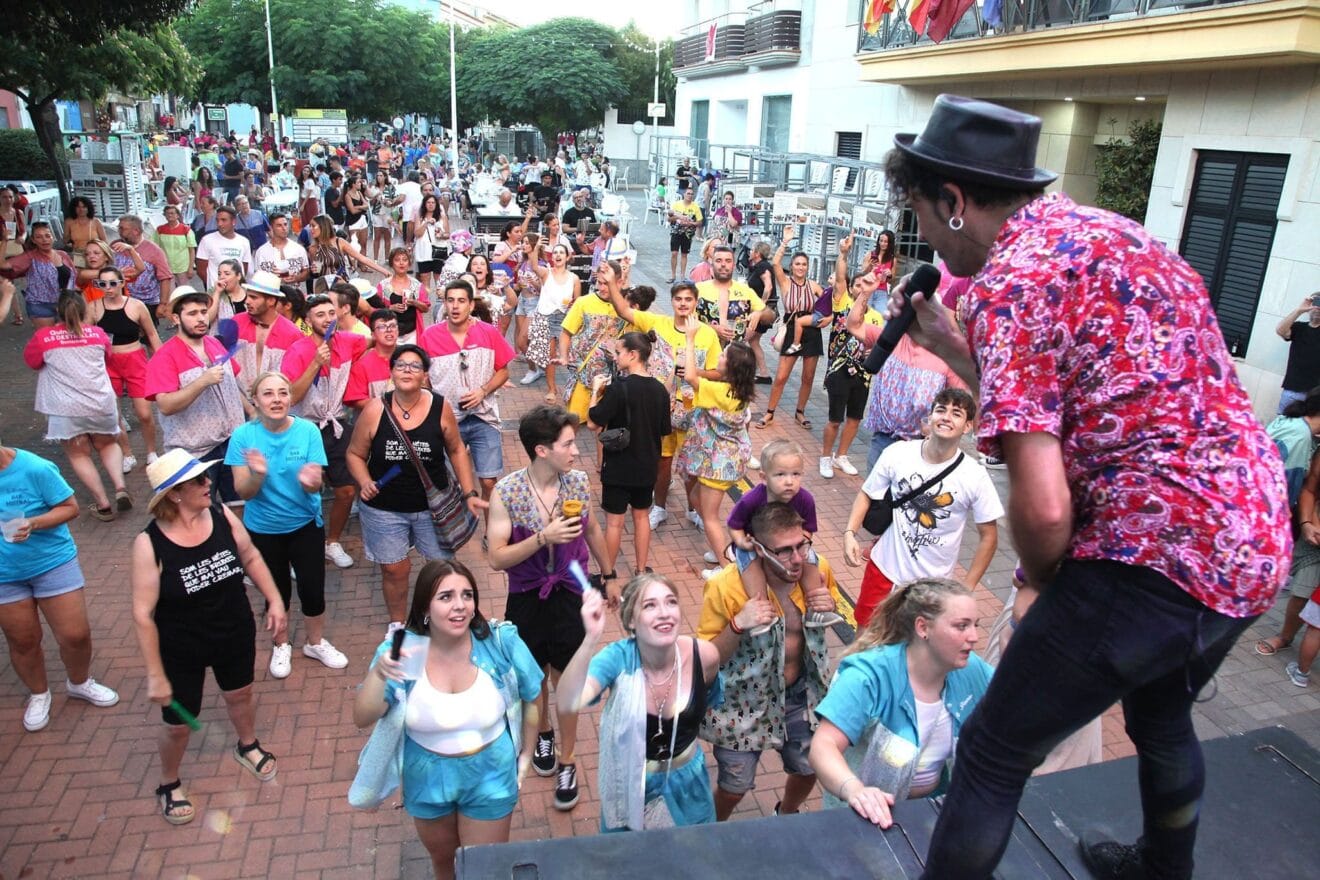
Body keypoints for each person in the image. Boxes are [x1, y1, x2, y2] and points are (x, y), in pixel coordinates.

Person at [878, 94, 1290, 880]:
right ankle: (1163, 868)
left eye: (922, 216)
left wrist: (1044, 583)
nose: (925, 236)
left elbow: (1043, 508)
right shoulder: (1116, 235)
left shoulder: (1009, 283)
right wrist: (959, 351)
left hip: (1153, 554)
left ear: (954, 201)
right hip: (1252, 536)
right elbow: (1050, 401)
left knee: (993, 751)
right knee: (1161, 714)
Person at [353, 560, 543, 880]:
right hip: (426, 775)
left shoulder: (499, 642)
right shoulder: (405, 651)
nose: (460, 605)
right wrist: (379, 674)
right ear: (425, 607)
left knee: (484, 868)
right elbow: (362, 717)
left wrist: (526, 754)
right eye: (446, 597)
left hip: (490, 773)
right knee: (444, 863)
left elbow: (533, 694)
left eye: (467, 595)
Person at [131, 451, 288, 826]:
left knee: (240, 694)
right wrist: (155, 674)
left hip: (233, 629)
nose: (209, 484)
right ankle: (169, 782)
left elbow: (250, 557)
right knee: (178, 724)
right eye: (199, 481)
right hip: (181, 646)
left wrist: (275, 600)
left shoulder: (221, 515)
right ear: (174, 494)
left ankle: (247, 744)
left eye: (206, 477)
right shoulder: (149, 543)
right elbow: (142, 614)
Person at [486, 404, 611, 812]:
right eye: (568, 444)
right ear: (542, 450)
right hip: (527, 596)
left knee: (568, 682)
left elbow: (593, 529)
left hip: (571, 594)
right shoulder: (507, 492)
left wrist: (608, 574)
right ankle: (542, 734)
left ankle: (567, 759)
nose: (576, 451)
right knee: (533, 676)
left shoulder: (578, 483)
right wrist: (543, 537)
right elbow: (496, 557)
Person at [697, 503, 846, 819]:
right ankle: (711, 828)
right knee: (734, 787)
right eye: (784, 551)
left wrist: (831, 604)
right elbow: (707, 660)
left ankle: (787, 813)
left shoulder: (818, 569)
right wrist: (738, 624)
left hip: (800, 696)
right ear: (759, 549)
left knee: (809, 768)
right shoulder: (725, 586)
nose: (797, 558)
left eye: (801, 545)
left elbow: (830, 609)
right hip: (741, 702)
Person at [809, 578, 992, 827]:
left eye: (975, 625)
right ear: (923, 627)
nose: (974, 637)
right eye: (961, 626)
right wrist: (856, 791)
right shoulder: (868, 676)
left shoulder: (971, 669)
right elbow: (823, 746)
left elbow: (1016, 702)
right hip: (864, 818)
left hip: (929, 813)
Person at [558, 575, 723, 832]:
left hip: (690, 785)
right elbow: (569, 700)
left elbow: (709, 701)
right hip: (629, 783)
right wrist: (590, 639)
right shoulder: (618, 658)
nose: (664, 613)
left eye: (671, 602)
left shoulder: (704, 655)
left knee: (694, 852)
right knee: (627, 855)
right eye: (649, 605)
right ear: (631, 621)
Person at [345, 345, 486, 630]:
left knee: (441, 570)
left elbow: (457, 449)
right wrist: (365, 481)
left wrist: (470, 493)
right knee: (394, 570)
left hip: (433, 508)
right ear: (392, 372)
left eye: (414, 366)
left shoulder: (440, 407)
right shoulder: (375, 409)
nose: (407, 370)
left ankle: (442, 622)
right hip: (385, 508)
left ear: (425, 375)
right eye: (400, 365)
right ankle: (397, 625)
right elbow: (354, 454)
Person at [842, 389, 1002, 628]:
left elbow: (989, 536)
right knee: (866, 637)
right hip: (884, 571)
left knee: (916, 646)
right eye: (941, 410)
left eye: (956, 413)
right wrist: (849, 533)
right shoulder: (898, 453)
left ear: (968, 426)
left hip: (933, 589)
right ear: (930, 417)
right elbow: (867, 494)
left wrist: (966, 589)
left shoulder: (974, 475)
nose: (946, 417)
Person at [226, 371, 347, 678]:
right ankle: (281, 644)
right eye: (268, 393)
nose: (277, 399)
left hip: (305, 524)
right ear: (255, 400)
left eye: (283, 392)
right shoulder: (243, 437)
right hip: (263, 529)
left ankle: (315, 642)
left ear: (291, 398)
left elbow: (316, 484)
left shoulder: (308, 431)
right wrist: (257, 474)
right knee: (275, 591)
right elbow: (243, 492)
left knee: (313, 588)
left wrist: (312, 481)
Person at [0, 441, 120, 732]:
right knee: (23, 640)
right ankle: (39, 694)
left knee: (75, 635)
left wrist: (33, 523)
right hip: (4, 574)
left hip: (51, 562)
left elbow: (69, 508)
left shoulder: (35, 468)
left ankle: (79, 682)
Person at [23, 291, 131, 520]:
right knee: (108, 444)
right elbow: (107, 359)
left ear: (58, 311)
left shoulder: (44, 337)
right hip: (100, 402)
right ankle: (120, 487)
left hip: (65, 408)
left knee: (79, 454)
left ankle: (103, 504)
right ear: (84, 310)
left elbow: (32, 362)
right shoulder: (98, 334)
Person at [280, 293, 369, 570]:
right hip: (305, 429)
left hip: (337, 426)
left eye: (331, 313)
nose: (328, 319)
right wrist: (315, 363)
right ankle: (299, 550)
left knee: (346, 490)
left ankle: (332, 542)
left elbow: (374, 340)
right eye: (320, 315)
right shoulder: (297, 350)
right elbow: (291, 396)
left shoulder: (348, 341)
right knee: (304, 493)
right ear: (307, 320)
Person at [145, 286, 250, 506]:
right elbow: (165, 405)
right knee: (200, 509)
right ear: (176, 318)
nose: (201, 318)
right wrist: (202, 381)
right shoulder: (164, 357)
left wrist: (252, 412)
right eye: (192, 313)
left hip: (232, 442)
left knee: (239, 504)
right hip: (195, 453)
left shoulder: (215, 343)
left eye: (203, 312)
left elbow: (232, 387)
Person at [418, 279, 514, 514]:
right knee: (450, 483)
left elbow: (503, 371)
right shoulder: (429, 336)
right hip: (447, 421)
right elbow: (423, 378)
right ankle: (457, 526)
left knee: (489, 482)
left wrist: (483, 391)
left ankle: (491, 530)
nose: (455, 306)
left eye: (461, 301)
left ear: (471, 305)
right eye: (450, 300)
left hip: (484, 417)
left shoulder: (488, 332)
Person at [728, 439, 842, 629]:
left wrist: (801, 544)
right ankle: (762, 612)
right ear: (764, 477)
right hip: (754, 545)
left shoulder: (805, 499)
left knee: (810, 558)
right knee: (750, 564)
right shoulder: (751, 499)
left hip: (789, 545)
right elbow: (733, 525)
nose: (789, 481)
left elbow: (808, 530)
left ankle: (816, 609)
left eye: (796, 474)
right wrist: (742, 542)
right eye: (780, 474)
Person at [674, 323, 757, 580]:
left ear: (731, 367)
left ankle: (725, 567)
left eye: (723, 355)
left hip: (718, 463)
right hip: (726, 459)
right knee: (696, 497)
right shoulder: (737, 389)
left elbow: (690, 378)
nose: (719, 356)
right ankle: (719, 545)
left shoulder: (720, 390)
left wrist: (690, 340)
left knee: (709, 516)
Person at [587, 331, 671, 577]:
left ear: (633, 355)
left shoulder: (618, 388)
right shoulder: (660, 390)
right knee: (642, 517)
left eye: (618, 352)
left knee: (614, 523)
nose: (615, 357)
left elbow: (592, 423)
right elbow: (664, 430)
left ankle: (607, 574)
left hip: (618, 465)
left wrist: (595, 392)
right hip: (647, 465)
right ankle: (641, 569)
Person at [1253, 392, 1320, 659]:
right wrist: (1307, 522)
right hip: (1273, 517)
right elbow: (1300, 487)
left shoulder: (1296, 428)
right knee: (1300, 589)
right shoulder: (1301, 436)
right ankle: (1286, 636)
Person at [817, 233, 884, 479]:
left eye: (863, 285)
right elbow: (840, 279)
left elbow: (879, 343)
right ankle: (825, 457)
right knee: (835, 419)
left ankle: (841, 455)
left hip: (863, 374)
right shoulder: (842, 303)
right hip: (839, 369)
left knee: (855, 418)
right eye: (856, 285)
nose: (859, 288)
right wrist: (843, 254)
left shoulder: (876, 316)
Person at [87, 266, 163, 470]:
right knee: (114, 413)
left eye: (113, 283)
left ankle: (151, 451)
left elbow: (152, 334)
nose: (108, 288)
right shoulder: (93, 308)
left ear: (122, 283)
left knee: (144, 413)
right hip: (108, 362)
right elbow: (87, 338)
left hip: (135, 359)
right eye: (102, 284)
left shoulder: (136, 306)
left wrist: (162, 360)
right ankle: (127, 454)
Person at [758, 225, 825, 429]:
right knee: (781, 376)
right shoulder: (786, 282)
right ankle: (770, 412)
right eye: (797, 264)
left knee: (808, 377)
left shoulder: (814, 286)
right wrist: (785, 242)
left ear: (808, 267)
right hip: (791, 327)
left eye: (804, 264)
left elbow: (827, 304)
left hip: (811, 331)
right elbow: (776, 263)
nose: (800, 267)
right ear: (792, 266)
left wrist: (827, 319)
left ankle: (800, 412)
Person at [556, 260, 628, 421]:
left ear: (619, 282)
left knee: (603, 426)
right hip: (583, 375)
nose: (602, 288)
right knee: (574, 420)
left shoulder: (625, 307)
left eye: (606, 283)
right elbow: (566, 332)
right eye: (599, 282)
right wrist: (564, 356)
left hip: (612, 379)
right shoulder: (584, 302)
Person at [528, 244, 580, 402]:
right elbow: (534, 266)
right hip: (547, 317)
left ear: (567, 257)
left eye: (561, 252)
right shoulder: (546, 272)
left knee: (571, 355)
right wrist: (536, 248)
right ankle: (552, 389)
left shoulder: (574, 278)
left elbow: (578, 302)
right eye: (555, 252)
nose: (558, 255)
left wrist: (572, 305)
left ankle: (575, 387)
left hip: (565, 318)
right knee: (550, 355)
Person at [0, 221, 76, 328]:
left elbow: (74, 278)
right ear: (33, 240)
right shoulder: (30, 257)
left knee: (67, 337)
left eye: (47, 236)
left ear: (52, 237)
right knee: (48, 337)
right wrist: (4, 241)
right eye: (39, 237)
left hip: (66, 304)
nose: (44, 239)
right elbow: (2, 264)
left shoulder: (63, 255)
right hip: (41, 306)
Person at [367, 247, 431, 345]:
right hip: (389, 335)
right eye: (397, 260)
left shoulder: (416, 285)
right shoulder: (384, 285)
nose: (401, 263)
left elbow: (426, 308)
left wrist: (415, 303)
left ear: (409, 263)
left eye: (405, 260)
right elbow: (374, 310)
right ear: (391, 264)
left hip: (412, 335)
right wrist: (390, 308)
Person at [114, 214, 174, 317]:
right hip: (120, 301)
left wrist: (163, 304)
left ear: (136, 231)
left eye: (123, 229)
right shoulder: (115, 246)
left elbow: (165, 278)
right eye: (119, 228)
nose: (119, 231)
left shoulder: (154, 251)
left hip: (147, 304)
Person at [1275, 292, 1320, 413]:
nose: (1317, 308)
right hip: (1293, 391)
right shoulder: (1299, 328)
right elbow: (1280, 330)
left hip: (1316, 397)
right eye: (1315, 303)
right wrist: (1299, 310)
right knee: (1284, 422)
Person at [345, 309, 400, 408]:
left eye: (392, 326)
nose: (389, 330)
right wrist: (389, 404)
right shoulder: (361, 365)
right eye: (382, 327)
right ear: (373, 334)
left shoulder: (409, 357)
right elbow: (356, 400)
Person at [512, 234, 548, 375]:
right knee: (524, 342)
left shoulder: (541, 265)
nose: (523, 245)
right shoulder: (523, 261)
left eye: (527, 243)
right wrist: (515, 285)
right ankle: (536, 367)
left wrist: (534, 283)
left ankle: (535, 369)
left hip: (534, 303)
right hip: (522, 301)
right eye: (523, 242)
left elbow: (545, 290)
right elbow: (517, 285)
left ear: (534, 245)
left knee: (522, 342)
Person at [195, 206, 253, 289]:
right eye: (217, 220)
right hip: (216, 292)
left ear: (233, 221)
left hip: (237, 291)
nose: (219, 224)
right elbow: (201, 270)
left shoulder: (244, 241)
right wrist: (214, 287)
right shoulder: (207, 240)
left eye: (223, 220)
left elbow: (244, 268)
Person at [253, 212, 311, 290]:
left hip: (295, 293)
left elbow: (306, 272)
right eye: (279, 225)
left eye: (285, 224)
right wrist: (274, 278)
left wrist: (297, 278)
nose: (284, 228)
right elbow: (258, 277)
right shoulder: (261, 252)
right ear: (271, 227)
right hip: (271, 293)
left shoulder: (298, 249)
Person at [667, 188, 702, 283]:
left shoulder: (695, 207)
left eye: (691, 194)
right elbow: (669, 218)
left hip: (687, 234)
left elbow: (699, 222)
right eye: (688, 193)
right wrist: (678, 217)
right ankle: (673, 275)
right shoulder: (676, 204)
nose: (690, 195)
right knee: (674, 253)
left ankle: (682, 276)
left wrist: (690, 223)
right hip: (676, 232)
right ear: (684, 194)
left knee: (684, 254)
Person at [62, 197, 108, 266]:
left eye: (84, 207)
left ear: (88, 208)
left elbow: (104, 241)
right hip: (78, 254)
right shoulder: (69, 222)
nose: (81, 209)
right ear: (74, 208)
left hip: (94, 254)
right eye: (78, 207)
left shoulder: (96, 221)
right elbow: (65, 241)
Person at [297, 165, 321, 231]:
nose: (306, 172)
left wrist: (303, 205)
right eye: (304, 171)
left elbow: (309, 194)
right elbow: (300, 192)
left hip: (310, 200)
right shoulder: (301, 180)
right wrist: (299, 202)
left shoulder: (310, 181)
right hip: (303, 199)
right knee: (304, 218)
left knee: (311, 217)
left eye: (308, 171)